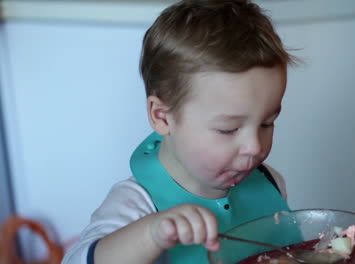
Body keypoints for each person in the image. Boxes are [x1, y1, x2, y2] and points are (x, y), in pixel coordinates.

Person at [62, 0, 297, 263]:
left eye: (267, 123)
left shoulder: (271, 182)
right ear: (162, 116)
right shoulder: (136, 204)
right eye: (228, 129)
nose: (255, 146)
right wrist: (151, 235)